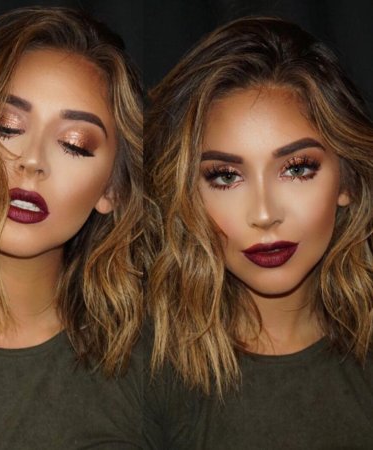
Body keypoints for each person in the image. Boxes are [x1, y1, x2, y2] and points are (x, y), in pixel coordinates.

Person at [145, 17, 373, 449]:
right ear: (186, 194)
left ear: (346, 179)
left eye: (297, 169)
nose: (265, 214)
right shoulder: (140, 371)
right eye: (226, 176)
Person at [0, 7, 143, 449]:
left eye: (74, 144)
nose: (32, 160)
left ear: (112, 189)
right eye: (8, 127)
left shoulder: (159, 358)